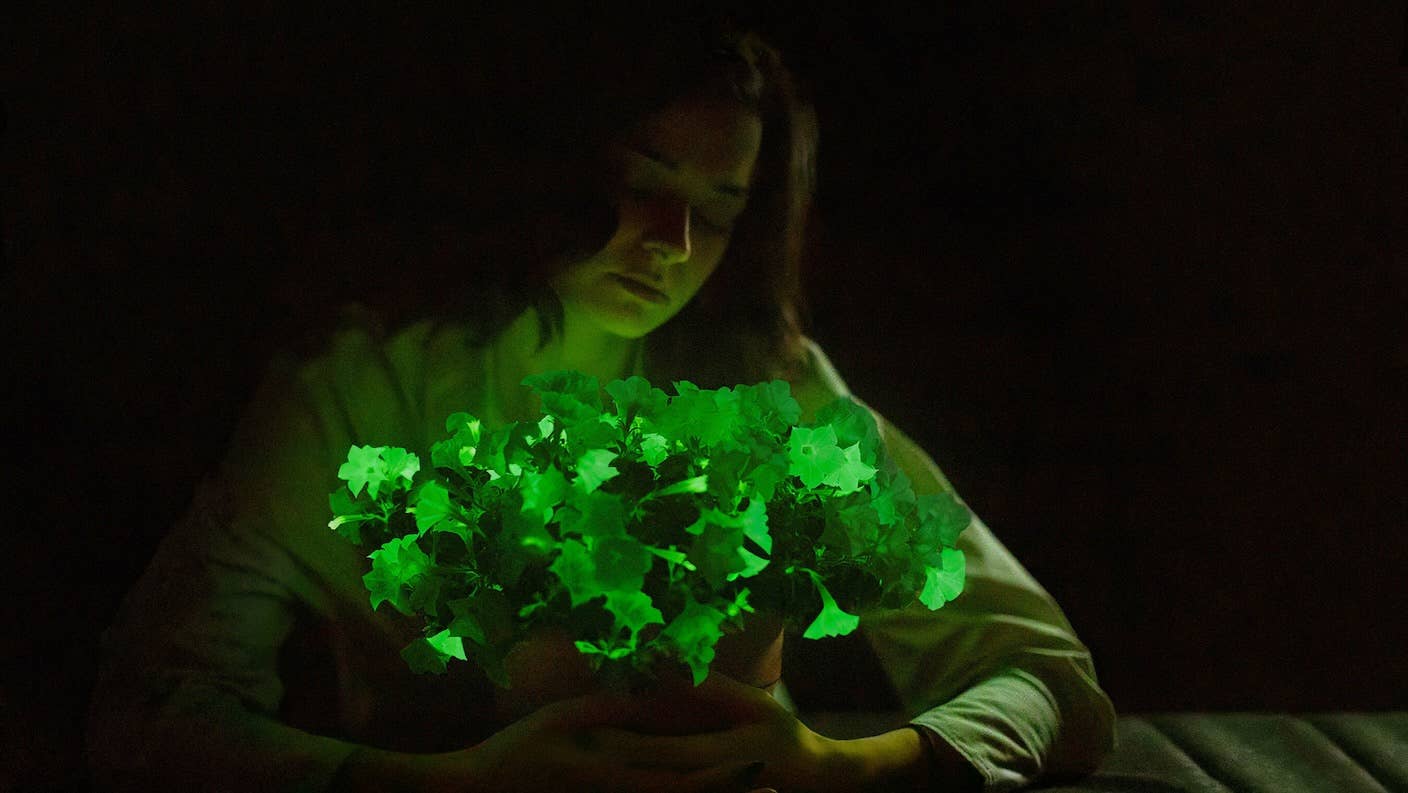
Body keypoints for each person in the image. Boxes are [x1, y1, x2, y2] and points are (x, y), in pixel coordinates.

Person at [86, 11, 1115, 792]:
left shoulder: (772, 386)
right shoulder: (364, 390)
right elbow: (150, 709)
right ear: (550, 158)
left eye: (719, 209)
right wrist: (462, 782)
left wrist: (838, 766)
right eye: (641, 179)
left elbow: (1049, 680)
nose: (671, 245)